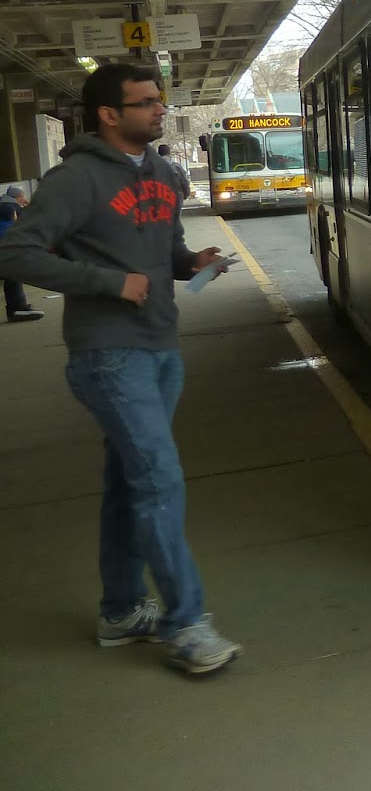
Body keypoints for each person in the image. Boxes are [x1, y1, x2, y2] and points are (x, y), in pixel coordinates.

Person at [0, 62, 241, 675]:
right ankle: (186, 623)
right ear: (109, 114)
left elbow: (164, 252)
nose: (160, 110)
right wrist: (110, 283)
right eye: (146, 103)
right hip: (108, 354)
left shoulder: (163, 172)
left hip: (162, 348)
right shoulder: (75, 178)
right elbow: (16, 250)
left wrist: (193, 263)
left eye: (159, 101)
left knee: (128, 483)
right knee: (159, 479)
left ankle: (121, 611)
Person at [1, 185, 44, 322]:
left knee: (12, 274)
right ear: (17, 197)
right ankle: (17, 308)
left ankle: (16, 308)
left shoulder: (5, 204)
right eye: (21, 197)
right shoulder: (8, 206)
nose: (23, 199)